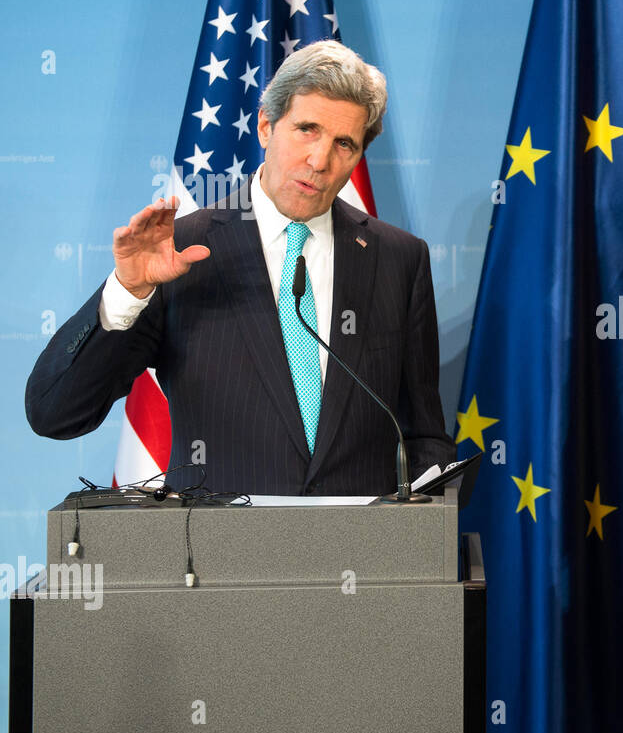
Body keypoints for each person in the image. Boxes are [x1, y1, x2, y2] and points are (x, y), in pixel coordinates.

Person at [26, 40, 455, 495]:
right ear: (267, 126)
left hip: (364, 558)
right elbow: (55, 413)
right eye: (307, 129)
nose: (320, 160)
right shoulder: (181, 251)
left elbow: (423, 436)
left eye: (344, 143)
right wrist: (128, 291)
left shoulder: (399, 259)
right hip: (219, 557)